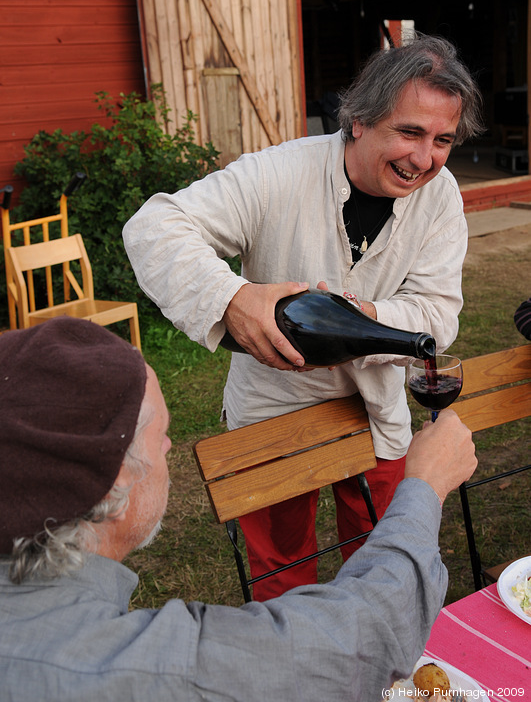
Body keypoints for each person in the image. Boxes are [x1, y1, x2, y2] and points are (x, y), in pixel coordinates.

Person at [123, 32, 484, 601]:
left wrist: (363, 317)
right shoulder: (276, 174)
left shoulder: (439, 198)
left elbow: (437, 314)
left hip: (375, 413)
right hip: (273, 415)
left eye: (442, 140)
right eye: (410, 132)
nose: (424, 159)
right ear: (360, 120)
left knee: (384, 552)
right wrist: (231, 298)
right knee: (281, 569)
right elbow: (152, 227)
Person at [0, 317, 477, 702]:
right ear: (116, 479)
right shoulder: (136, 669)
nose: (170, 449)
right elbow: (358, 638)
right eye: (164, 437)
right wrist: (425, 488)